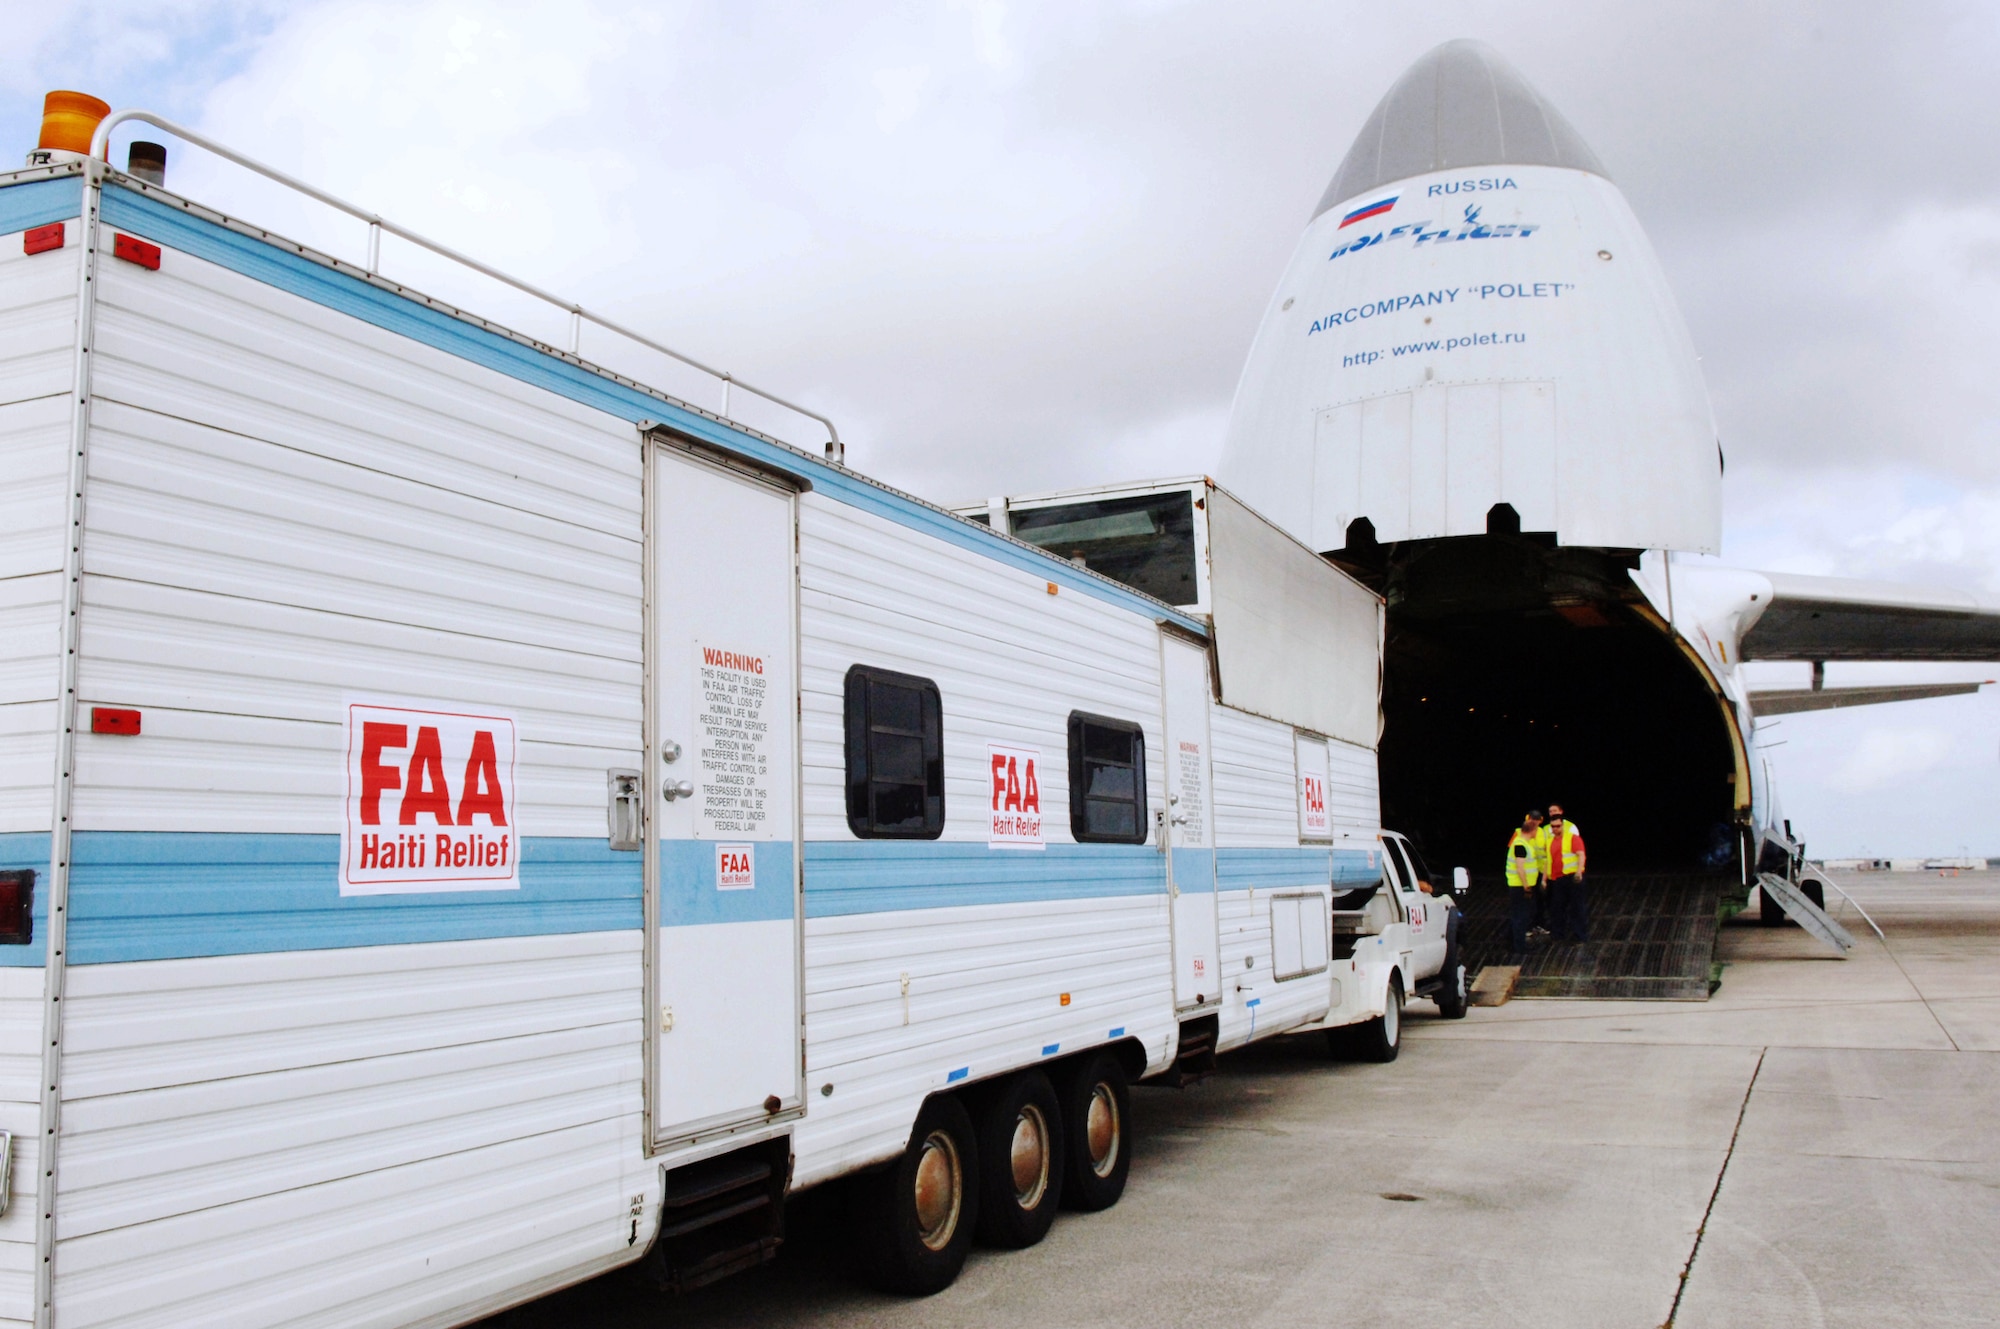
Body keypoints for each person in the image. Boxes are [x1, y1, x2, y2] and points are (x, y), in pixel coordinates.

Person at [1545, 803, 1588, 942]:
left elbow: (1581, 855)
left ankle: (1580, 936)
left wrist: (1579, 872)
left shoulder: (1572, 838)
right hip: (1558, 879)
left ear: (1563, 825)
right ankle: (1558, 934)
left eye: (1558, 826)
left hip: (1572, 877)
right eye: (1553, 826)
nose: (1555, 829)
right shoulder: (1551, 841)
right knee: (1557, 908)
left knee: (1577, 908)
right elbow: (1548, 860)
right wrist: (1544, 879)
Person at [1505, 810, 1544, 959]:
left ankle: (1515, 942)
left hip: (1521, 885)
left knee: (1521, 914)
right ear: (1532, 830)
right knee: (1520, 916)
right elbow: (1520, 867)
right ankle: (1519, 946)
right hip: (1519, 886)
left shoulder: (1524, 843)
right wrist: (1527, 886)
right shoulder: (1520, 844)